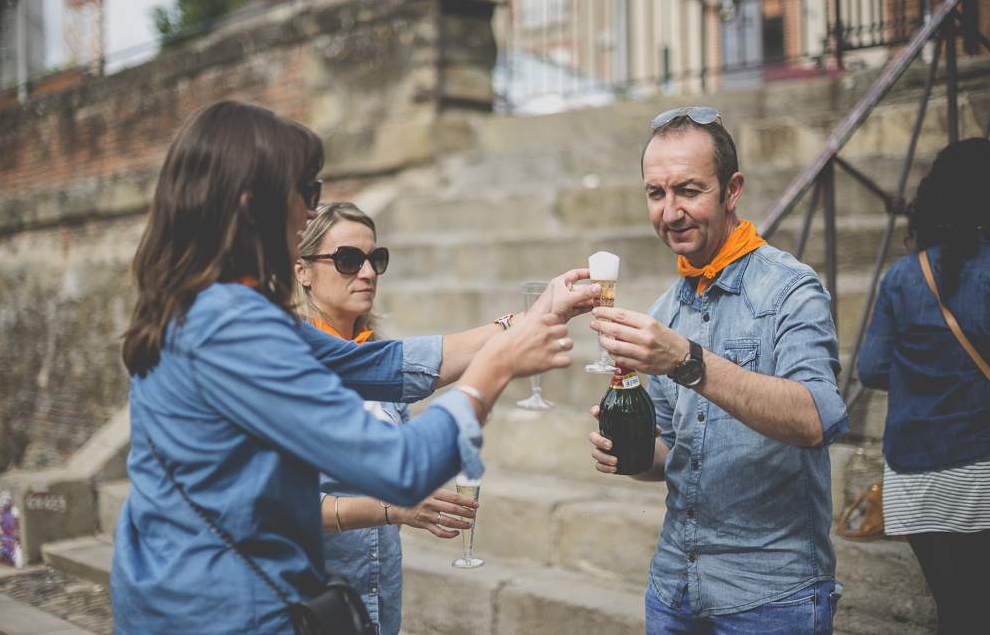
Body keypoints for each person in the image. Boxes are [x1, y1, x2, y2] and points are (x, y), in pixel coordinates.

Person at [112, 100, 596, 635]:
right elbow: (402, 468)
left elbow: (383, 365)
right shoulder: (236, 327)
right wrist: (498, 367)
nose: (310, 214)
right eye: (307, 192)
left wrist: (527, 320)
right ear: (254, 205)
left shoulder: (198, 304)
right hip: (221, 610)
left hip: (161, 594)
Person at [587, 107, 849, 634]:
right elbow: (669, 452)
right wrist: (631, 450)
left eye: (689, 190)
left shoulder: (790, 289)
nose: (670, 212)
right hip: (673, 589)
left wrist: (686, 361)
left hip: (773, 595)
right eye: (656, 194)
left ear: (733, 189)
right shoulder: (663, 311)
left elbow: (818, 419)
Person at [292, 201, 477, 634]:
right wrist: (393, 509)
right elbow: (281, 505)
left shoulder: (378, 351)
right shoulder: (289, 361)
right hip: (312, 593)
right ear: (302, 270)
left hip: (378, 588)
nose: (368, 272)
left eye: (375, 259)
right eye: (348, 260)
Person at [857, 138, 990, 635]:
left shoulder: (901, 277)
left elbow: (871, 370)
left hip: (915, 479)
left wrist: (926, 374)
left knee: (954, 610)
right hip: (982, 470)